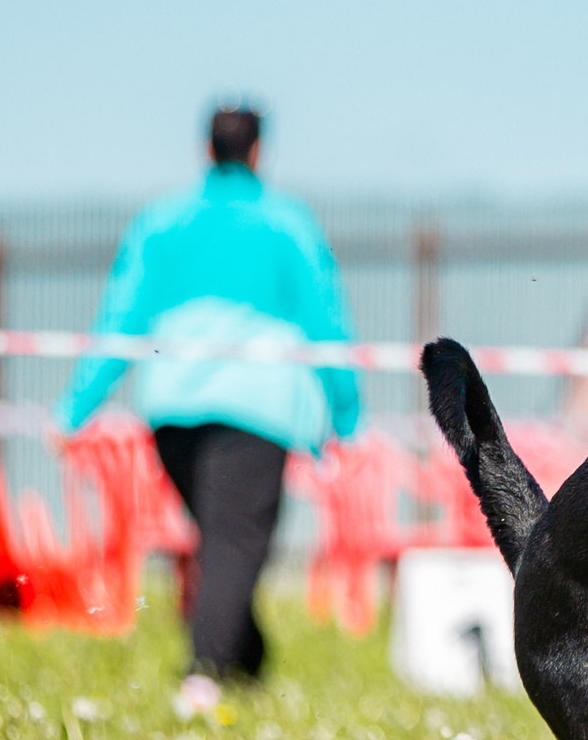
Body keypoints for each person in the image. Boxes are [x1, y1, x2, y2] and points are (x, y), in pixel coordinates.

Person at [56, 104, 360, 709]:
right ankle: (204, 676)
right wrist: (348, 416)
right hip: (260, 408)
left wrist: (76, 407)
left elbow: (122, 315)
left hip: (173, 408)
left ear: (205, 148)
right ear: (257, 151)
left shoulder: (161, 222)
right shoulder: (288, 223)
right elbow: (325, 320)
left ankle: (248, 663)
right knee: (234, 543)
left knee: (221, 538)